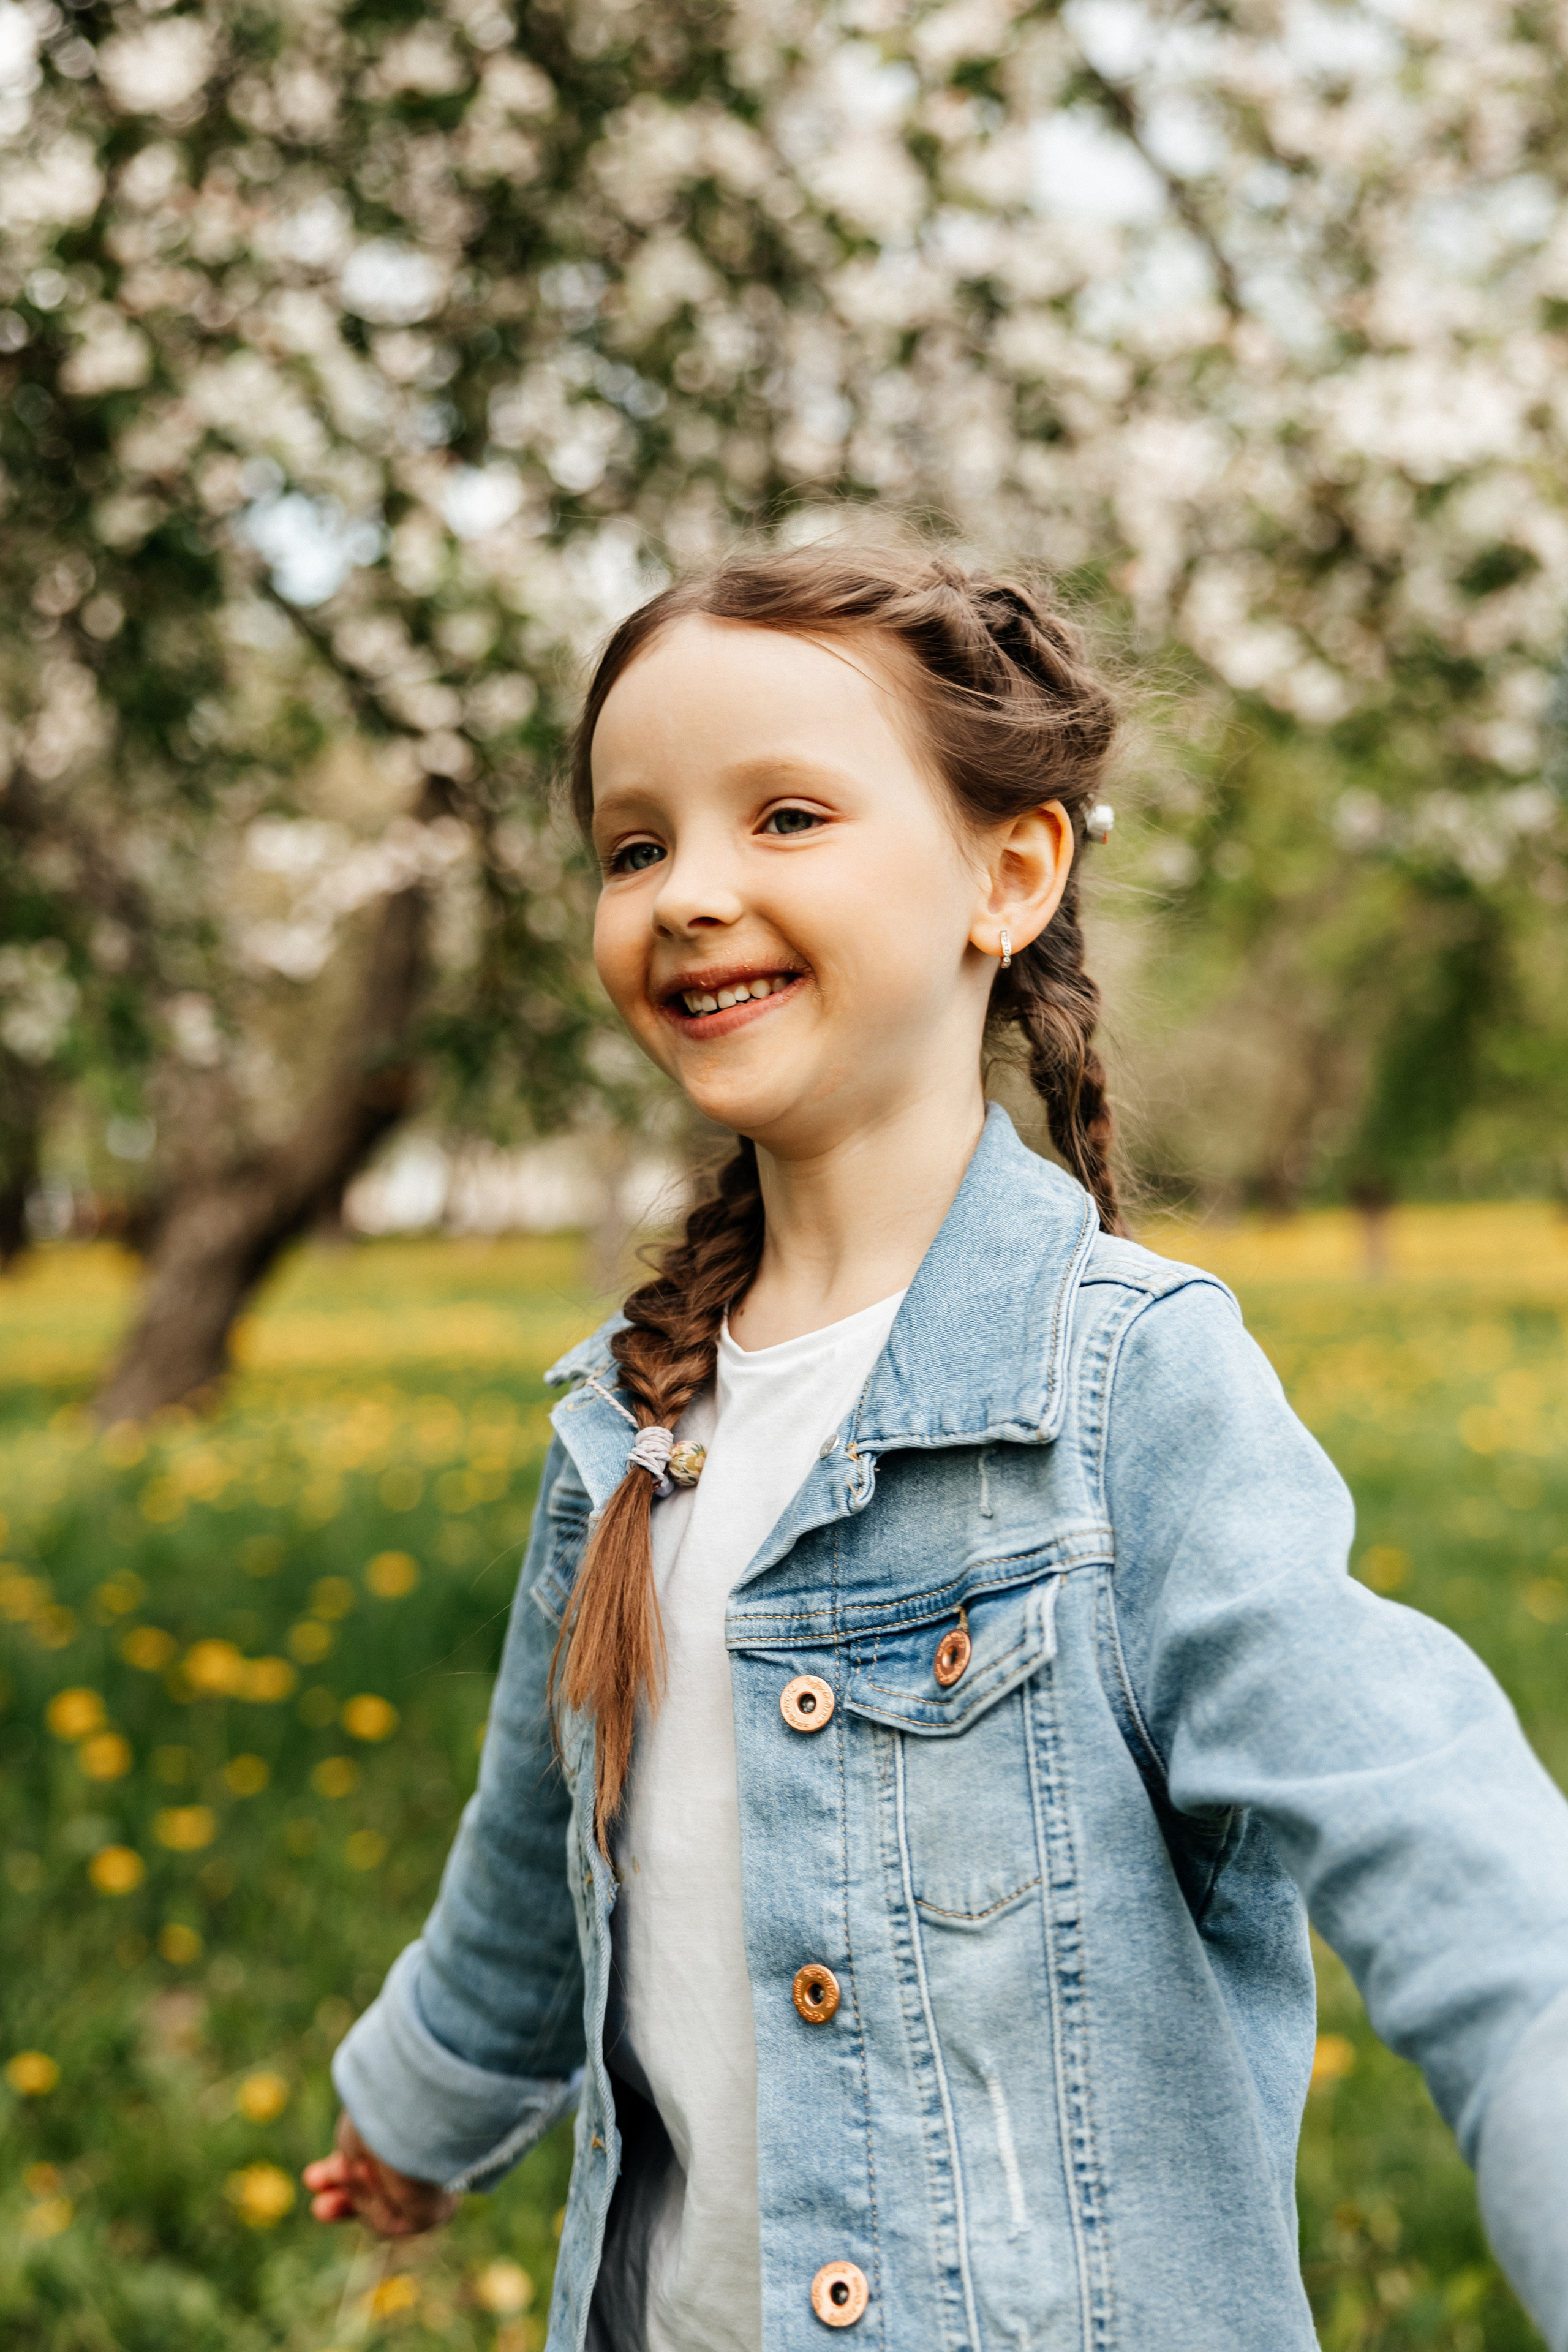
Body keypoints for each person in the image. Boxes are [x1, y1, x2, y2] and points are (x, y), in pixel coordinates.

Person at [304, 543, 1568, 2351]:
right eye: (635, 846)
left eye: (787, 817)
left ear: (1010, 873)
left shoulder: (1128, 1389)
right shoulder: (628, 1424)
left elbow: (1428, 1823)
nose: (690, 894)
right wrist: (417, 2115)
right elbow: (531, 1862)